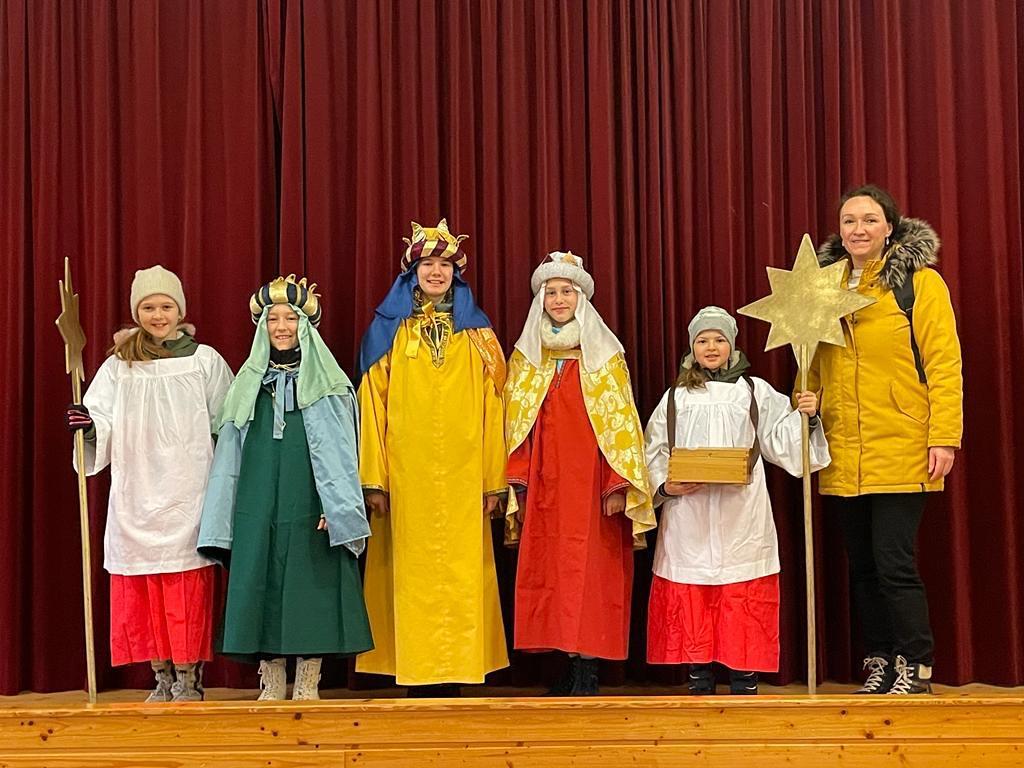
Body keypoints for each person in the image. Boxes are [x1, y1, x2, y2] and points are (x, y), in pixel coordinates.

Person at [811, 184, 963, 694]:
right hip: (842, 449)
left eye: (870, 220)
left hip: (901, 442)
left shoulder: (919, 284)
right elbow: (813, 362)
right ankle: (879, 659)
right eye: (849, 220)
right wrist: (805, 400)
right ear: (840, 230)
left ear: (890, 227)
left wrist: (944, 436)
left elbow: (944, 363)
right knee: (863, 568)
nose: (859, 229)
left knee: (894, 563)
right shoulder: (821, 289)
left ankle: (915, 665)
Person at [198, 275, 372, 700]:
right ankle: (272, 680)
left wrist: (338, 505)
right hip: (257, 501)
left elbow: (345, 450)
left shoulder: (330, 386)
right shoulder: (246, 386)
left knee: (311, 583)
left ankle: (308, 680)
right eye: (272, 319)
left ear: (305, 326)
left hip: (311, 500)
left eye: (290, 318)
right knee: (261, 579)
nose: (281, 327)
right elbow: (229, 456)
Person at [355, 219, 509, 694]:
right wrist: (374, 478)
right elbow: (371, 405)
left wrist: (493, 479)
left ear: (455, 273)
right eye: (428, 264)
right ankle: (415, 672)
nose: (436, 272)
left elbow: (494, 409)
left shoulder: (479, 336)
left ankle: (459, 670)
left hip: (464, 478)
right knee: (410, 575)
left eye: (444, 264)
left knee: (463, 575)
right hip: (408, 477)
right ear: (413, 272)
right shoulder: (390, 332)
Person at [66, 265, 233, 701]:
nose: (158, 315)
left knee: (185, 590)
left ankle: (188, 677)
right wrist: (88, 426)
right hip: (137, 492)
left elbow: (226, 422)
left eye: (166, 306)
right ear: (136, 312)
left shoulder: (204, 361)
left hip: (189, 490)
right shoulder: (118, 366)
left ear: (180, 311)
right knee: (144, 590)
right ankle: (161, 675)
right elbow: (100, 417)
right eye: (148, 307)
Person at [644, 306, 829, 695]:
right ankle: (699, 677)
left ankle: (745, 679)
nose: (711, 347)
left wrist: (806, 417)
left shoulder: (754, 392)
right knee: (692, 591)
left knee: (742, 594)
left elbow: (784, 441)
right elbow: (653, 451)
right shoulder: (675, 398)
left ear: (732, 345)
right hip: (689, 514)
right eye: (703, 340)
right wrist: (665, 487)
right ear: (692, 347)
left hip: (741, 514)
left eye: (719, 339)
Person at [503, 251, 654, 695]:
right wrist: (517, 482)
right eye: (550, 292)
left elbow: (621, 427)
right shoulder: (526, 360)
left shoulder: (605, 359)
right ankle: (567, 664)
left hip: (592, 488)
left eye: (566, 291)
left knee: (592, 573)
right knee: (553, 574)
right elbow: (515, 425)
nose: (558, 299)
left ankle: (589, 666)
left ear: (580, 297)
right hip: (546, 487)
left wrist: (617, 484)